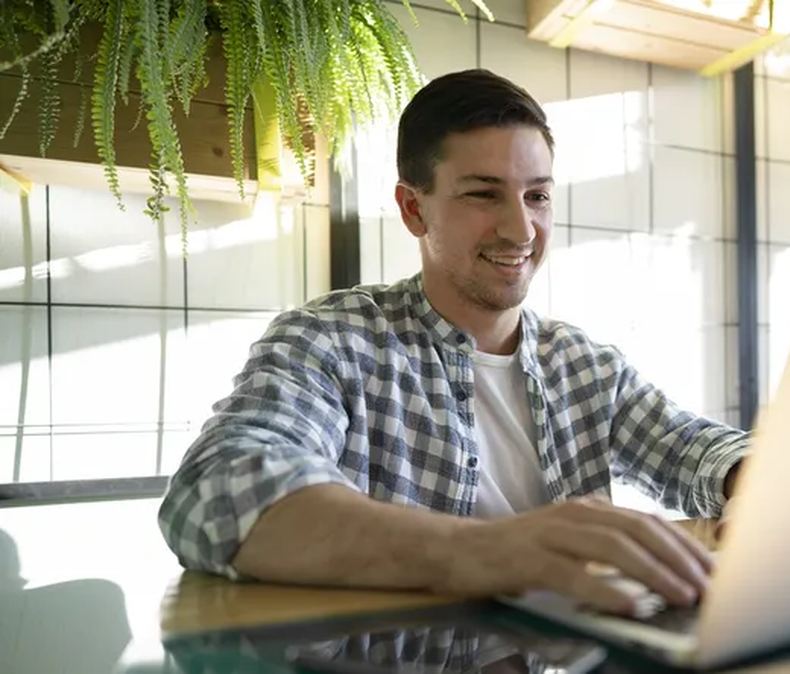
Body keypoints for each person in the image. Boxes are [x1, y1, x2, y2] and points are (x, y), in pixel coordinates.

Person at [157, 68, 750, 616]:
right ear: (414, 209)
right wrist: (488, 551)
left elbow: (694, 449)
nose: (521, 230)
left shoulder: (585, 367)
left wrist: (757, 479)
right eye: (483, 194)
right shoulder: (332, 341)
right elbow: (215, 491)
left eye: (537, 195)